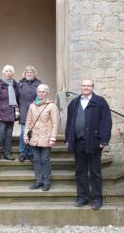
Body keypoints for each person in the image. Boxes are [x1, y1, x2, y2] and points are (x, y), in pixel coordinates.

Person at [65, 79, 112, 210]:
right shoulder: (74, 103)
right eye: (83, 85)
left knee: (95, 172)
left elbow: (106, 122)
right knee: (80, 171)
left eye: (88, 85)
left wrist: (104, 140)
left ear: (92, 87)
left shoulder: (100, 102)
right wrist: (69, 138)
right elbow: (70, 122)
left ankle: (97, 199)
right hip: (78, 141)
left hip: (94, 142)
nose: (86, 87)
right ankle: (82, 197)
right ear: (80, 87)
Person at [24, 84, 59, 191]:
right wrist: (25, 135)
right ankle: (38, 181)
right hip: (34, 137)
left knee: (45, 160)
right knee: (36, 160)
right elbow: (28, 121)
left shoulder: (52, 106)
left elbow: (55, 123)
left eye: (43, 92)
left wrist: (53, 137)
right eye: (39, 91)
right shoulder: (32, 105)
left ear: (47, 93)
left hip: (46, 138)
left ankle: (46, 182)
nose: (41, 93)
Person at [0, 65, 19, 161]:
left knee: (9, 135)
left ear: (12, 73)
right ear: (4, 73)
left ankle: (7, 154)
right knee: (0, 134)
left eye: (10, 71)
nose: (8, 73)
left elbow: (18, 98)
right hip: (1, 115)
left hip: (11, 113)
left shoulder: (15, 84)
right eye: (7, 71)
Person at [18, 65, 41, 162]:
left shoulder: (39, 84)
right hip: (23, 112)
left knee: (33, 133)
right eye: (27, 72)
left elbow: (42, 97)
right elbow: (15, 98)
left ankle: (31, 153)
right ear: (24, 74)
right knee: (24, 133)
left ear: (34, 74)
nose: (29, 74)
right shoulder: (20, 84)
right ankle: (23, 152)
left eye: (31, 72)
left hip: (36, 113)